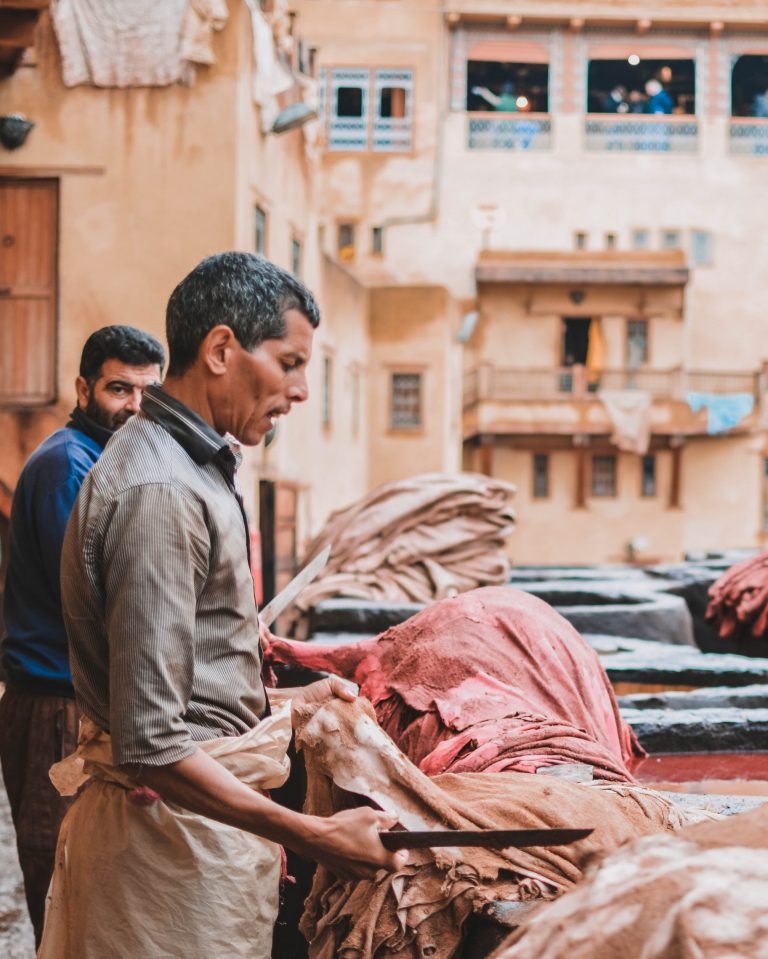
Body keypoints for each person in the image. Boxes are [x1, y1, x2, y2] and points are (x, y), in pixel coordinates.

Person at [39, 253, 407, 959]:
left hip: (190, 842)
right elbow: (152, 741)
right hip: (163, 857)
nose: (301, 390)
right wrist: (314, 833)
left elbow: (188, 684)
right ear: (219, 349)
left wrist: (288, 704)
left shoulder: (192, 465)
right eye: (290, 362)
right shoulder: (162, 489)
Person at [0, 325, 165, 946]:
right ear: (83, 388)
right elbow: (101, 603)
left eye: (147, 392)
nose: (133, 406)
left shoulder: (107, 462)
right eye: (119, 388)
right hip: (55, 709)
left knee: (97, 884)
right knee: (60, 878)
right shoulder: (67, 466)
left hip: (83, 702)